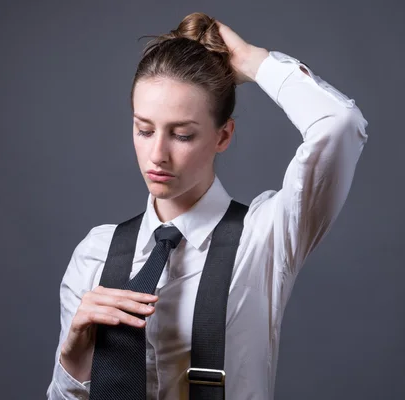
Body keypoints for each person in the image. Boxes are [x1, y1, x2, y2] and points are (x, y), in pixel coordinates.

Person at [47, 12, 368, 400]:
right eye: (144, 130)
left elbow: (339, 124)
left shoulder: (264, 238)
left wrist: (253, 61)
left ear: (223, 135)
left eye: (182, 135)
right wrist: (72, 361)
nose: (157, 155)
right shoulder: (94, 255)